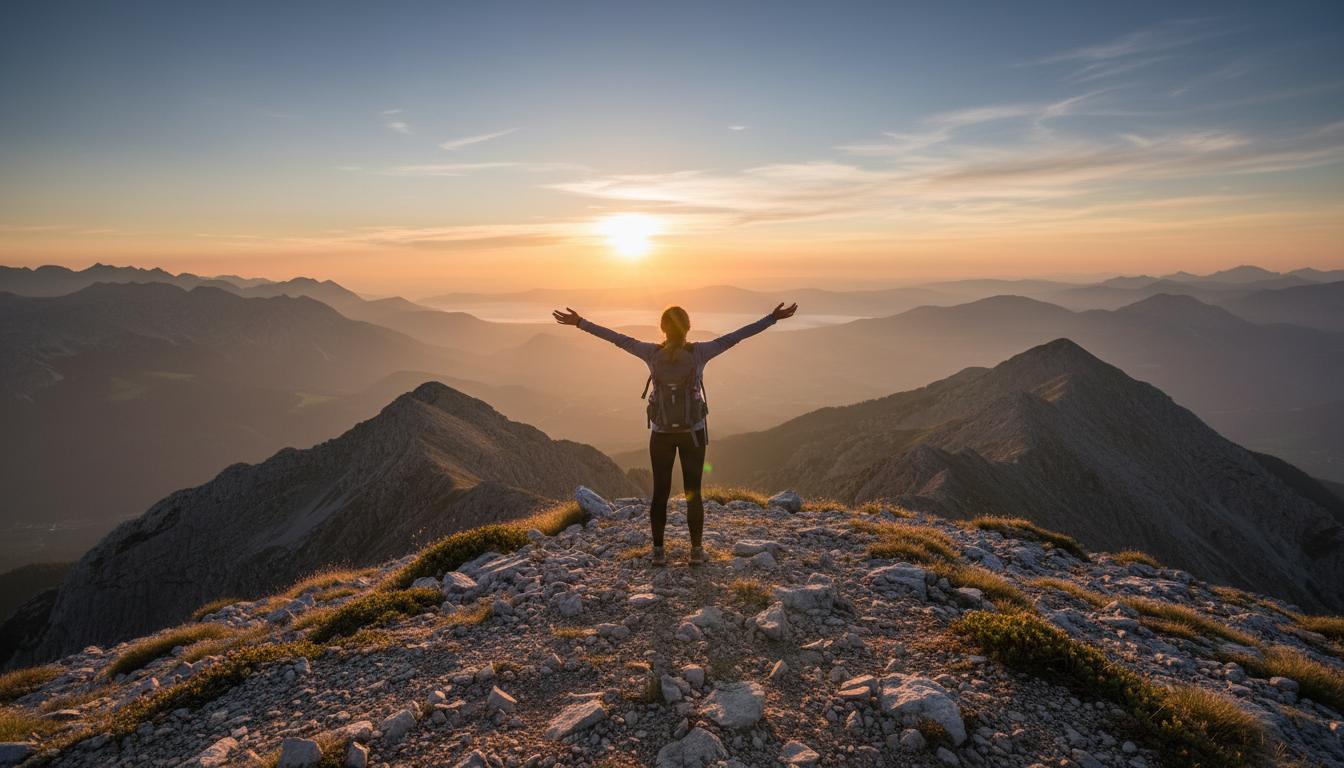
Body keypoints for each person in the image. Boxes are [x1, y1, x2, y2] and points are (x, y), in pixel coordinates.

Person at [553, 302, 797, 566]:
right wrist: (772, 318)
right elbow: (736, 337)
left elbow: (617, 339)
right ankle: (696, 552)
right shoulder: (700, 352)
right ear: (688, 328)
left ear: (662, 329)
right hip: (693, 433)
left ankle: (658, 553)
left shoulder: (650, 353)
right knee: (693, 492)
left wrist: (580, 322)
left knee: (660, 494)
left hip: (661, 434)